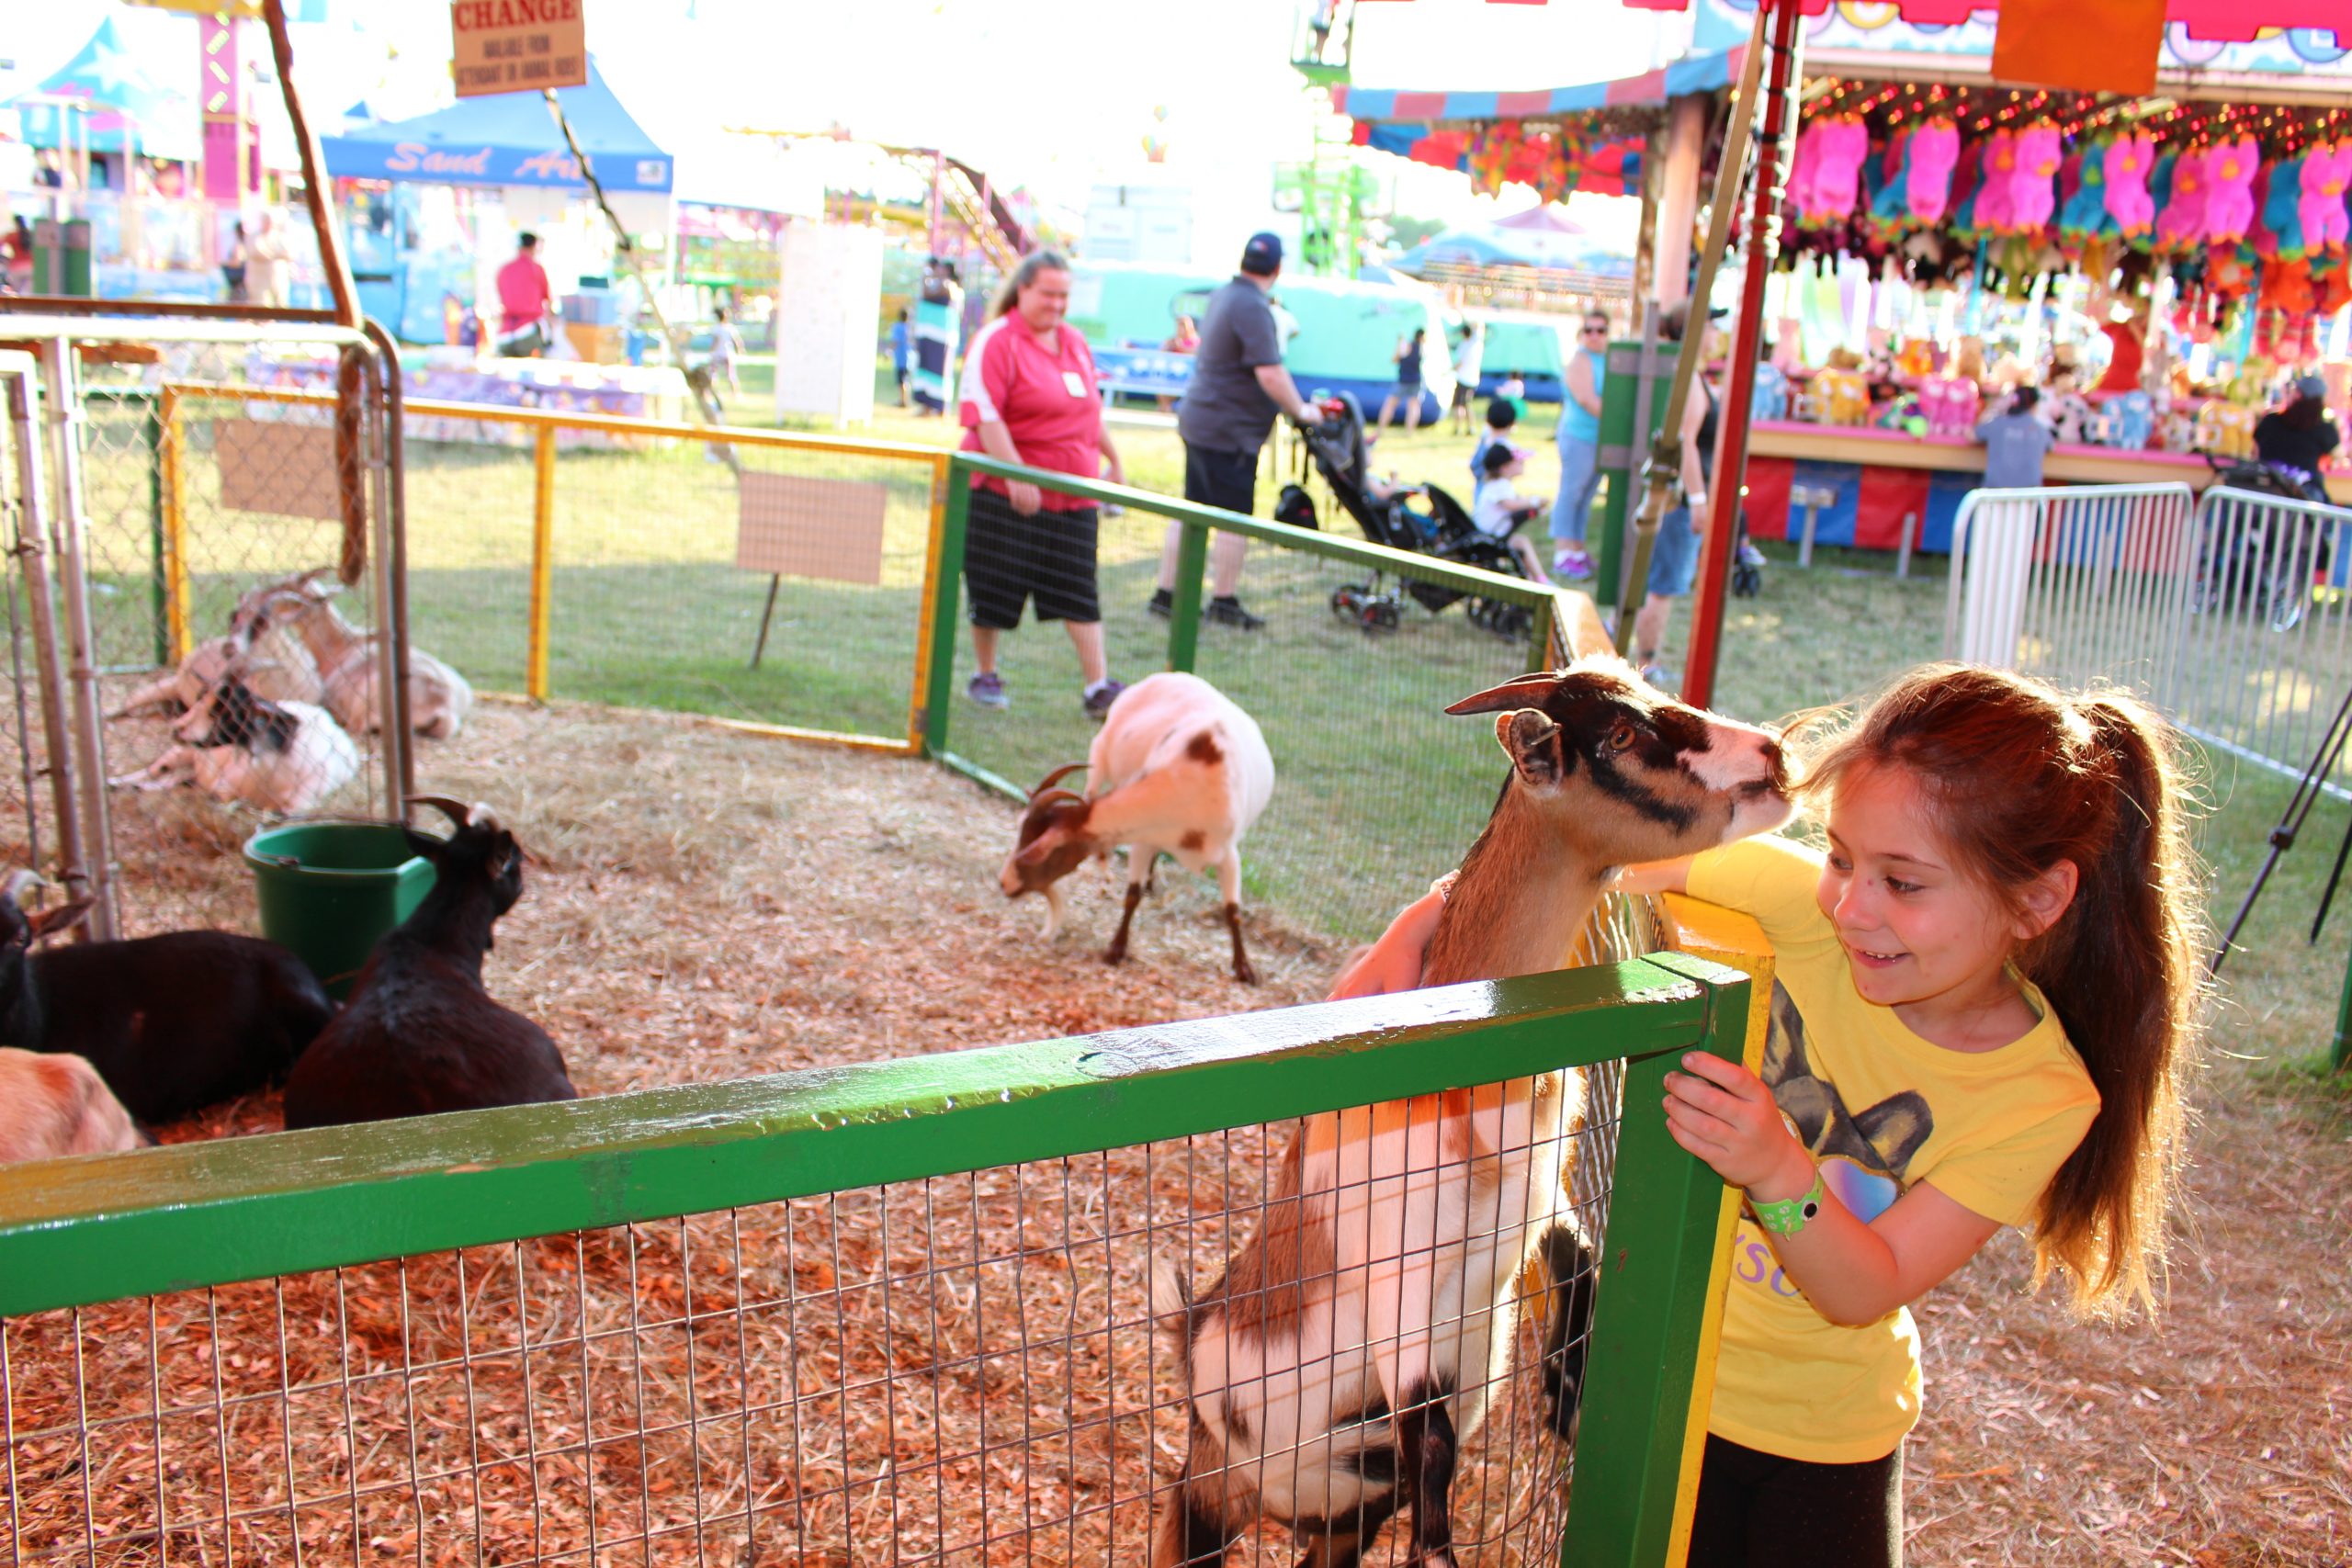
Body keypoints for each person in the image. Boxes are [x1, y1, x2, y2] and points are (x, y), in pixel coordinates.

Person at [1334, 661, 2202, 1568]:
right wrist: (1424, 921)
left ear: (2037, 900)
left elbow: (1865, 1287)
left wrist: (1776, 1169)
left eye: (1901, 884)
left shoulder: (2039, 1098)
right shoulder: (1798, 906)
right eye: (1838, 857)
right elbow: (1583, 847)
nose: (1850, 906)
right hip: (1651, 1393)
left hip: (1822, 1445)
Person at [956, 250, 1126, 720]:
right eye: (1048, 293)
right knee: (993, 587)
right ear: (1023, 290)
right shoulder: (997, 340)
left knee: (1079, 589)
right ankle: (985, 673)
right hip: (1004, 494)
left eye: (1064, 296)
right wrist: (1016, 475)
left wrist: (1113, 458)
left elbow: (1087, 409)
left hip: (1073, 494)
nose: (1056, 304)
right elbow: (984, 414)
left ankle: (1097, 685)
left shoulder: (1073, 341)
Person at [1146, 232, 1318, 632]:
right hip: (1227, 431)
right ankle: (1223, 601)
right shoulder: (1254, 306)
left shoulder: (1224, 294)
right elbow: (1270, 372)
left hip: (1201, 420)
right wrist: (1302, 410)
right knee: (1232, 519)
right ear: (1276, 270)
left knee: (1191, 508)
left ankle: (1165, 595)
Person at [1627, 301, 1718, 693]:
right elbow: (1686, 444)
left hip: (1679, 496)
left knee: (1662, 581)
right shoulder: (1688, 378)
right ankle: (1646, 663)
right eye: (1713, 326)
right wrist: (1698, 499)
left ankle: (1646, 659)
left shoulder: (1686, 373)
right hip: (1681, 500)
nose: (1717, 334)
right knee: (1664, 585)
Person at [1551, 308, 1611, 581]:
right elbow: (1587, 399)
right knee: (1571, 492)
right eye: (1589, 330)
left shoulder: (1609, 359)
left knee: (1586, 495)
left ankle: (1577, 548)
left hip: (1600, 437)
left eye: (1601, 330)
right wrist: (1619, 421)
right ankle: (1562, 551)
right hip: (1579, 437)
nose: (1595, 336)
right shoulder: (1580, 361)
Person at [1469, 443, 1555, 585]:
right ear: (1505, 467)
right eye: (1519, 462)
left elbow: (1517, 500)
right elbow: (1511, 504)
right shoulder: (1500, 485)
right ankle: (1541, 580)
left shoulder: (1499, 484)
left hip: (1490, 533)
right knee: (1521, 542)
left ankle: (1534, 578)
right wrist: (1534, 502)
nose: (1523, 464)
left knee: (1520, 542)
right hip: (1490, 535)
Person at [2253, 373, 2340, 502]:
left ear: (2298, 394)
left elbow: (2254, 451)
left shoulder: (2270, 421)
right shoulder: (2325, 429)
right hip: (2306, 498)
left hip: (2262, 492)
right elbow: (2338, 456)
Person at [1974, 386, 2056, 491]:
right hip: (2028, 499)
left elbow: (1971, 434)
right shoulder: (2041, 430)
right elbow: (2052, 446)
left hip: (1994, 495)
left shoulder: (1997, 423)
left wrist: (1993, 408)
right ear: (2035, 405)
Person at [494, 231, 553, 356]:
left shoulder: (504, 269)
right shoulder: (536, 269)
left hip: (505, 333)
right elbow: (547, 299)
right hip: (528, 332)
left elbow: (501, 296)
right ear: (533, 246)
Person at [1374, 327, 1428, 439]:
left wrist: (1400, 343)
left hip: (1404, 380)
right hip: (1414, 380)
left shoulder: (1407, 345)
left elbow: (1395, 359)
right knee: (1413, 406)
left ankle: (1381, 429)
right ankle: (1409, 432)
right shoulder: (1422, 348)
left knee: (1391, 405)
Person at [1469, 397, 1518, 501]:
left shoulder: (1484, 440)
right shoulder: (1506, 447)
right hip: (1497, 498)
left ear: (1487, 419)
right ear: (1513, 423)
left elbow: (1473, 465)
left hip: (1479, 494)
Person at [1449, 322, 1487, 435]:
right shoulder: (1477, 343)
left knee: (1459, 405)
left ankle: (1458, 428)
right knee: (1467, 403)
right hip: (1474, 379)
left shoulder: (1464, 345)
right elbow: (1480, 327)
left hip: (1463, 379)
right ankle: (1471, 427)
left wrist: (1449, 371)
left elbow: (1460, 363)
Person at [707, 306, 744, 400]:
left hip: (718, 354)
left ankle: (710, 392)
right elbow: (737, 341)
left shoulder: (716, 328)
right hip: (727, 354)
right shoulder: (730, 328)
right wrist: (740, 349)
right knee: (730, 374)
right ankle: (735, 393)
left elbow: (715, 341)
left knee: (713, 373)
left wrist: (711, 351)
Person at [220, 219, 251, 304]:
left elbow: (235, 262)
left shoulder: (243, 245)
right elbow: (236, 261)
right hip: (239, 284)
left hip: (242, 283)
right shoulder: (239, 245)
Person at [888, 309, 912, 408]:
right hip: (909, 358)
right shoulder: (909, 328)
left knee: (901, 381)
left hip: (900, 359)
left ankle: (903, 401)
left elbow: (895, 341)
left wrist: (889, 351)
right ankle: (905, 400)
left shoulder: (898, 327)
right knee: (905, 380)